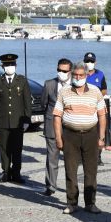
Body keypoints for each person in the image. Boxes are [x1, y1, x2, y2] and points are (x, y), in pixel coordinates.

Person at [53, 61, 106, 214]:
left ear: (86, 75)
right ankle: (71, 203)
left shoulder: (95, 91)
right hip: (70, 135)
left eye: (81, 75)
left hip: (91, 134)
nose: (78, 77)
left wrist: (101, 137)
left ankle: (90, 203)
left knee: (91, 171)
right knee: (70, 171)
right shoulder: (64, 91)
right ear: (71, 74)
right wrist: (58, 137)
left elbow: (102, 115)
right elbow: (57, 116)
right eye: (75, 75)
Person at [0, 53, 32, 183]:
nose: (10, 67)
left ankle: (17, 172)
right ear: (2, 66)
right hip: (3, 121)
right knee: (4, 147)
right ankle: (6, 171)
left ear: (15, 66)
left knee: (17, 148)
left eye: (12, 65)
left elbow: (27, 102)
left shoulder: (22, 80)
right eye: (7, 65)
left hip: (18, 121)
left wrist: (26, 120)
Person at [41, 58, 69, 196]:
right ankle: (51, 186)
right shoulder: (49, 84)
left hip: (70, 127)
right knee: (52, 157)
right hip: (51, 126)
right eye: (59, 70)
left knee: (71, 159)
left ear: (70, 72)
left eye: (64, 71)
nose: (61, 73)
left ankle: (71, 186)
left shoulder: (75, 86)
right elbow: (43, 104)